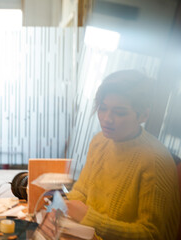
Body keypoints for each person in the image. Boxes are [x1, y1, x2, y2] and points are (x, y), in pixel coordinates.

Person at [66, 70, 180, 239]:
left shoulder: (156, 160)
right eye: (102, 108)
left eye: (119, 113)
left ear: (143, 115)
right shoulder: (99, 141)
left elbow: (153, 234)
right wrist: (63, 206)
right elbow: (81, 191)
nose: (106, 119)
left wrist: (90, 218)